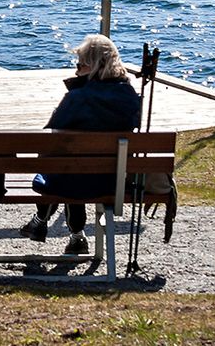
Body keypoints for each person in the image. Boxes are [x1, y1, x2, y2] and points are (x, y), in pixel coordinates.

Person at [19, 33, 141, 260]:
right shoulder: (129, 97)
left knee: (63, 164)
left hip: (72, 179)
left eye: (79, 65)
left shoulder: (78, 98)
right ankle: (71, 234)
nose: (75, 71)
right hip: (112, 181)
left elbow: (51, 140)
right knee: (73, 164)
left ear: (90, 66)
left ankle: (47, 222)